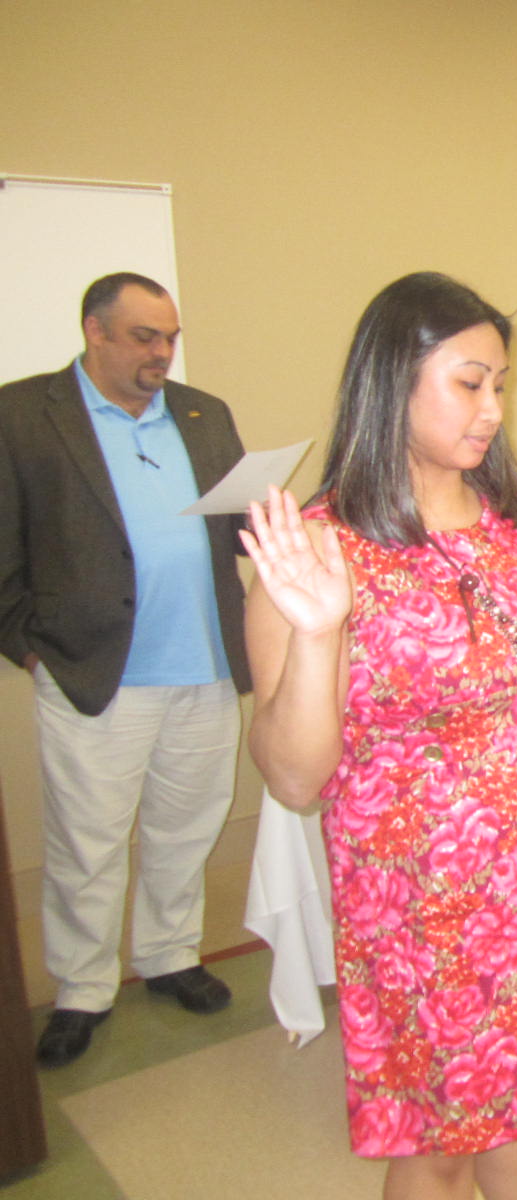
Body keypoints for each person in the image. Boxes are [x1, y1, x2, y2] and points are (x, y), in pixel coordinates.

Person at [242, 272, 517, 1199]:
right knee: (440, 1143)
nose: (494, 408)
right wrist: (321, 630)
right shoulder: (322, 550)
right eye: (469, 382)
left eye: (500, 384)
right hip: (424, 904)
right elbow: (294, 776)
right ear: (390, 382)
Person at [0, 272, 249, 1068]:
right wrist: (30, 646)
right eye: (145, 336)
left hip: (205, 663)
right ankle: (81, 989)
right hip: (93, 672)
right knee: (87, 842)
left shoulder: (204, 414)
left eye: (170, 336)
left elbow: (239, 526)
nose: (162, 353)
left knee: (187, 824)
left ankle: (171, 954)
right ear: (95, 332)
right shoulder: (22, 416)